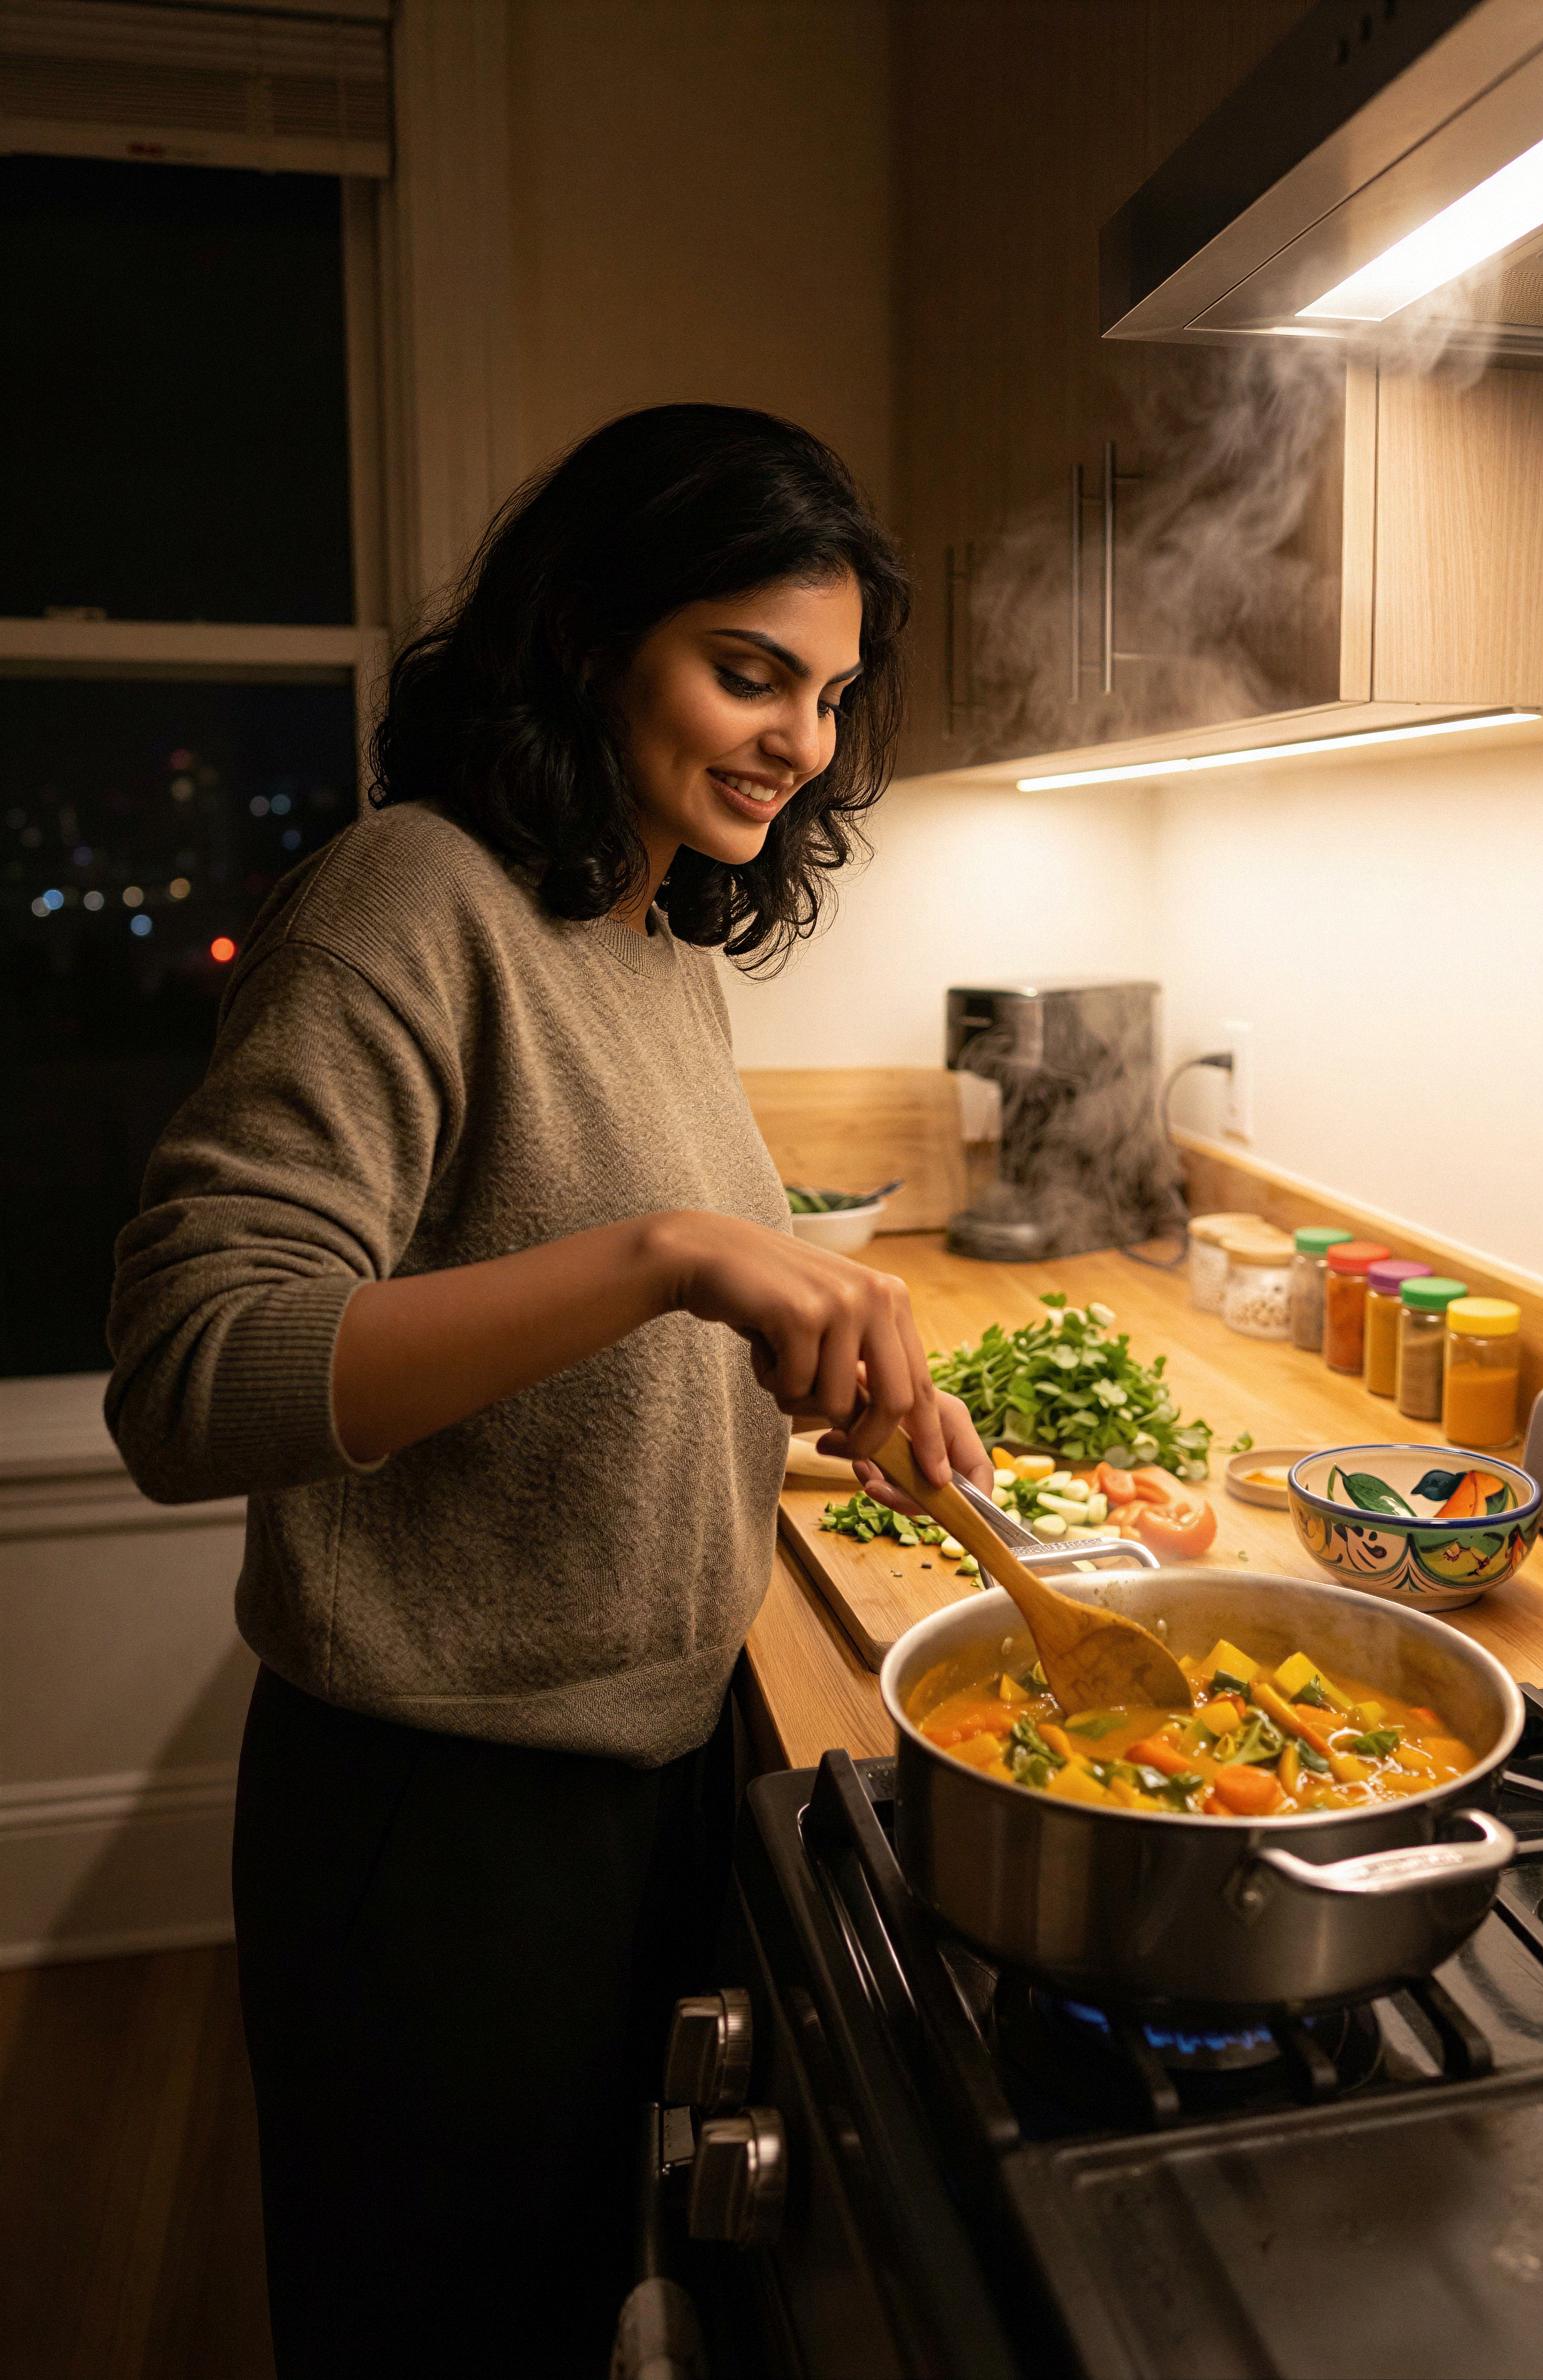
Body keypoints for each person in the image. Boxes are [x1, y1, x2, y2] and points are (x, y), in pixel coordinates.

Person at [104, 403, 991, 2378]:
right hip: (442, 1827)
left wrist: (798, 1361)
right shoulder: (408, 900)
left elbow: (573, 1304)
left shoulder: (654, 936)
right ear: (588, 636)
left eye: (831, 694)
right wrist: (675, 1257)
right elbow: (189, 1374)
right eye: (749, 670)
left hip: (646, 1773)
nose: (802, 739)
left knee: (571, 2303)